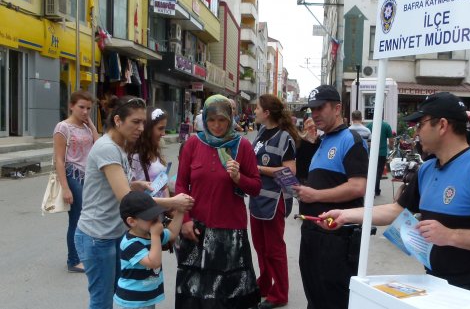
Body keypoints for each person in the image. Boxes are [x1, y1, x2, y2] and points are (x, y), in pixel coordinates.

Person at [320, 92, 470, 295]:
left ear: (442, 125)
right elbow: (396, 210)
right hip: (432, 283)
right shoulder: (427, 169)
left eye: (420, 125)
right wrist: (344, 215)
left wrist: (450, 236)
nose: (416, 132)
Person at [74, 96, 194, 309]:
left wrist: (136, 184)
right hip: (97, 236)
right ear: (118, 120)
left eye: (143, 122)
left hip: (114, 232)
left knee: (124, 292)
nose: (141, 128)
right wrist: (172, 202)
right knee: (102, 300)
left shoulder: (120, 146)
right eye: (135, 122)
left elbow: (121, 187)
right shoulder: (107, 148)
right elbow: (127, 200)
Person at [175, 94, 262, 309]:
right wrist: (185, 220)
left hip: (230, 233)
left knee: (226, 296)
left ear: (231, 119)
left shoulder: (242, 146)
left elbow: (256, 187)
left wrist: (238, 178)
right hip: (196, 229)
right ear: (204, 119)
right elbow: (180, 186)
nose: (216, 125)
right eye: (211, 120)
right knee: (195, 292)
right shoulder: (193, 144)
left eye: (222, 120)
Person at [291, 85, 368, 309]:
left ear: (337, 108)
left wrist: (315, 195)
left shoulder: (351, 140)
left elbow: (357, 187)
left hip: (337, 237)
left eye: (320, 108)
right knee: (314, 295)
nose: (314, 114)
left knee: (334, 298)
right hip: (312, 232)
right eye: (311, 109)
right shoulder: (322, 141)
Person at [249, 94, 300, 309]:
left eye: (257, 108)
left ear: (267, 112)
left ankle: (279, 294)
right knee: (260, 247)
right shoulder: (261, 133)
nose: (255, 111)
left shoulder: (284, 137)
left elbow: (290, 172)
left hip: (274, 201)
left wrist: (258, 169)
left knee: (274, 249)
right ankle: (264, 285)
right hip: (257, 198)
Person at [53, 90, 99, 273]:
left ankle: (83, 255)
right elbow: (59, 159)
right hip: (73, 174)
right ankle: (73, 259)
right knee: (76, 218)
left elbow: (99, 146)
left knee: (86, 217)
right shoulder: (63, 127)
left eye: (88, 108)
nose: (85, 112)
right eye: (81, 107)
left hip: (88, 177)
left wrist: (93, 128)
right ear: (71, 106)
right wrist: (65, 188)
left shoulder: (87, 127)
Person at [114, 191, 184, 309]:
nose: (156, 220)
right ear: (132, 221)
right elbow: (153, 262)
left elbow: (172, 233)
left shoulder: (149, 233)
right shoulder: (130, 243)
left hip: (146, 297)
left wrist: (181, 211)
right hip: (133, 301)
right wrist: (156, 236)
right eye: (149, 217)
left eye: (156, 215)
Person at [128, 107, 170, 198]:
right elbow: (128, 188)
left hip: (161, 209)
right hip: (147, 209)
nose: (163, 133)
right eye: (160, 128)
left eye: (164, 128)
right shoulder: (136, 157)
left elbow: (163, 186)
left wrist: (169, 206)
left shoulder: (155, 151)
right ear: (148, 130)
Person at [367, 115, 393, 196]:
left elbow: (366, 139)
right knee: (379, 172)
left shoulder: (369, 126)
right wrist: (391, 147)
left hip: (371, 152)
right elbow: (391, 140)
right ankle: (376, 190)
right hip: (382, 153)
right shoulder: (386, 126)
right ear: (382, 117)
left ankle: (372, 190)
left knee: (372, 171)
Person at [295, 117, 320, 185]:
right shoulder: (299, 142)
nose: (313, 129)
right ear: (305, 129)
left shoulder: (319, 141)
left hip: (314, 176)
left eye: (314, 127)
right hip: (301, 177)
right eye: (310, 127)